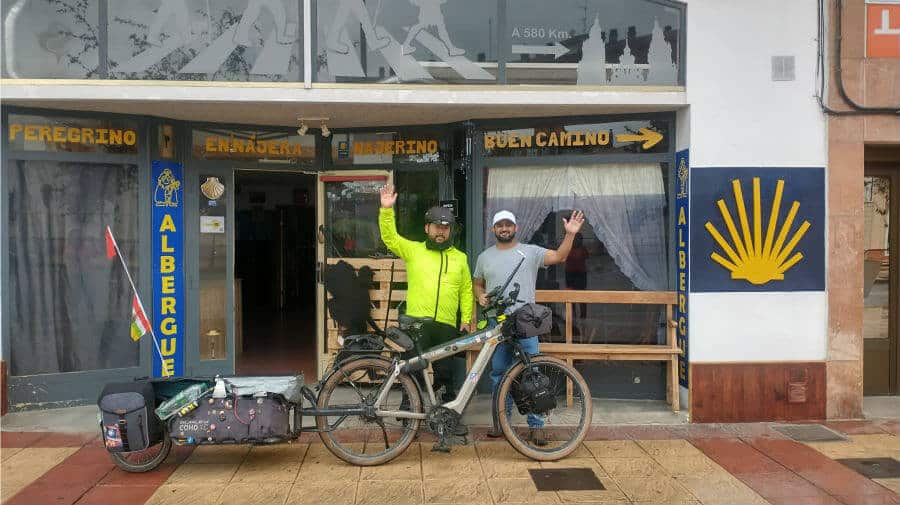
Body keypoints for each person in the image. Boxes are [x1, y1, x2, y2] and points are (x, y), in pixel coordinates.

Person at [474, 209, 584, 445]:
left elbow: (559, 257)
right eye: (500, 225)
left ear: (515, 227)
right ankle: (502, 423)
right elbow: (477, 283)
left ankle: (537, 426)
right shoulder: (484, 257)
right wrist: (480, 296)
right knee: (499, 374)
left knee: (533, 372)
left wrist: (570, 235)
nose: (504, 229)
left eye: (508, 225)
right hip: (498, 322)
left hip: (526, 321)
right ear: (494, 229)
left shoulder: (530, 252)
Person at [378, 184, 474, 433]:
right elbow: (390, 238)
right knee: (412, 372)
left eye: (445, 228)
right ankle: (410, 414)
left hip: (445, 325)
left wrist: (465, 319)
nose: (441, 232)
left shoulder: (460, 258)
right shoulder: (414, 250)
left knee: (446, 375)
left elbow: (466, 289)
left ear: (450, 231)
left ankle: (446, 416)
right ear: (426, 229)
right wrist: (386, 210)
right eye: (436, 227)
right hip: (416, 324)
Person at [565, 232, 590, 320]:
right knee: (570, 294)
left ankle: (583, 315)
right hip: (570, 274)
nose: (578, 241)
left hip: (581, 274)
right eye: (576, 239)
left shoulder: (583, 249)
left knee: (582, 295)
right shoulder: (568, 248)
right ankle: (572, 313)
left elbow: (587, 257)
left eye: (580, 239)